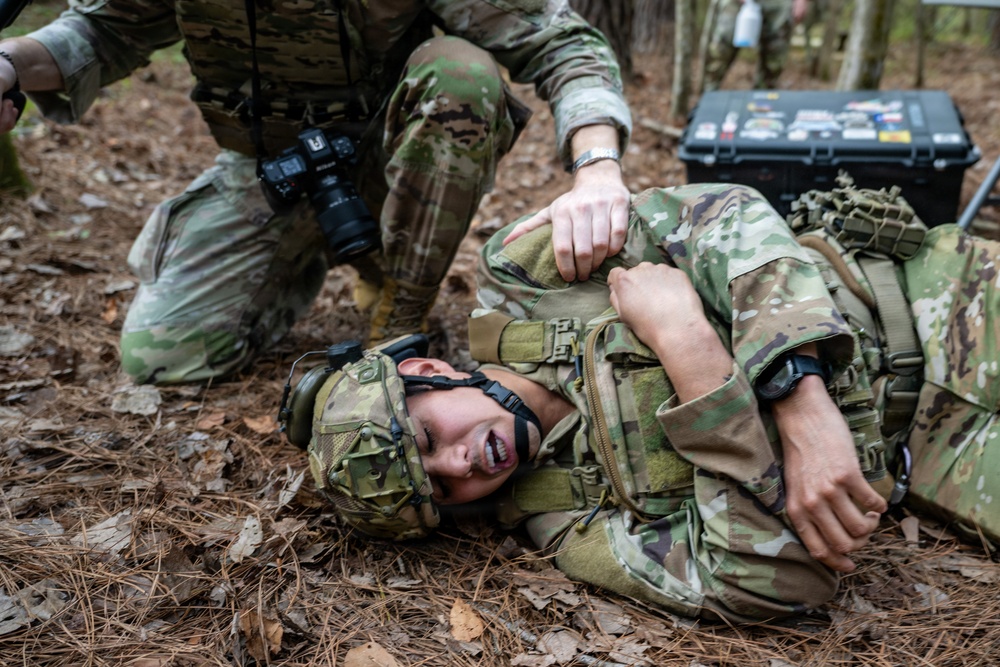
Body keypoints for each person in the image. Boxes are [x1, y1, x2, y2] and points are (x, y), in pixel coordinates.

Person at [299, 178, 1000, 622]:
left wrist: (797, 396)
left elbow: (726, 214)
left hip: (931, 295)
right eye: (441, 488)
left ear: (427, 370)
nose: (461, 464)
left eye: (428, 438)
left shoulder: (523, 283)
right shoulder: (569, 526)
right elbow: (762, 581)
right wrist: (689, 350)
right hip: (946, 454)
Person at [0, 1, 632, 385]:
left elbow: (562, 43)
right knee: (163, 357)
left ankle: (400, 314)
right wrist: (9, 61)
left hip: (392, 153)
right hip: (274, 167)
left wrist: (597, 166)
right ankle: (341, 255)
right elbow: (101, 32)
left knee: (461, 74)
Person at [701, 0, 809, 92]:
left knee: (774, 59)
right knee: (720, 52)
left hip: (778, 4)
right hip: (734, 3)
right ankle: (706, 99)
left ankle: (761, 103)